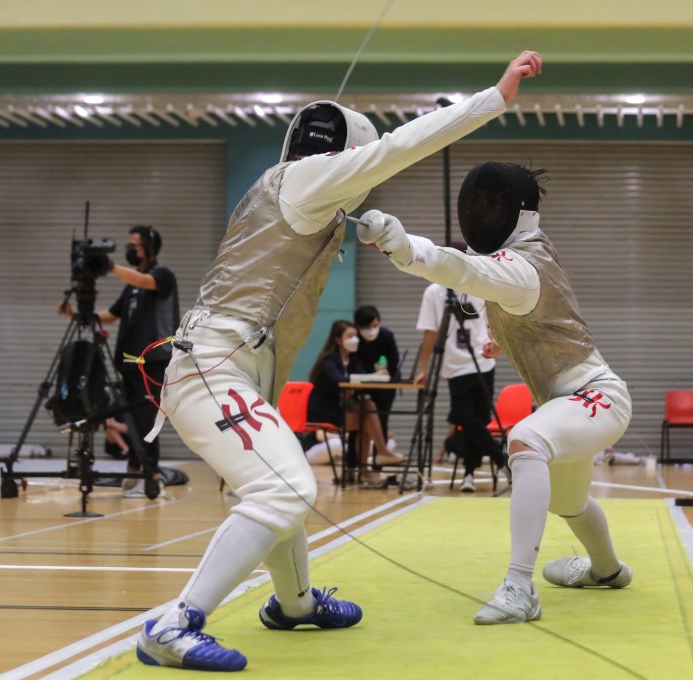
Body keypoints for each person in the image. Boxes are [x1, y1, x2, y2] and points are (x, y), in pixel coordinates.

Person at [134, 51, 543, 671]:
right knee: (285, 486)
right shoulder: (305, 183)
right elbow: (402, 146)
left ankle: (294, 604)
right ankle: (173, 624)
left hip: (230, 368)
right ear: (342, 157)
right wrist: (495, 96)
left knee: (279, 479)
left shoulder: (280, 189)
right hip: (215, 369)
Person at [356, 159, 632, 626]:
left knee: (525, 442)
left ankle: (520, 587)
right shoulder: (525, 252)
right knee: (568, 502)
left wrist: (404, 248)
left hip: (595, 395)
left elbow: (465, 270)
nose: (482, 212)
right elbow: (483, 283)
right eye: (476, 203)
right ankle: (607, 570)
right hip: (567, 401)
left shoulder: (522, 267)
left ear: (516, 211)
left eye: (492, 204)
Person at [59, 224, 179, 497]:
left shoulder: (162, 275)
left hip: (153, 362)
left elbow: (144, 281)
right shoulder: (131, 289)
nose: (129, 249)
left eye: (133, 245)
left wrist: (109, 266)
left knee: (147, 419)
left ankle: (153, 475)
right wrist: (74, 315)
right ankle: (135, 470)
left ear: (149, 247)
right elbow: (112, 316)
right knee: (133, 420)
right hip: (128, 362)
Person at [415, 282, 507, 492]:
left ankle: (469, 474)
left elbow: (492, 322)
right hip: (455, 366)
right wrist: (425, 369)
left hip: (483, 362)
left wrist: (496, 345)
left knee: (480, 420)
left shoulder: (479, 285)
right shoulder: (435, 292)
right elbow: (430, 333)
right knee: (465, 418)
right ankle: (503, 460)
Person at [308, 320, 403, 484]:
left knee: (367, 408)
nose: (355, 340)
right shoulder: (328, 360)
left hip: (345, 408)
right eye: (350, 336)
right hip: (325, 411)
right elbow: (339, 381)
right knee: (365, 414)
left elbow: (360, 379)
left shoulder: (353, 360)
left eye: (356, 336)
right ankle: (375, 458)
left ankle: (365, 465)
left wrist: (376, 374)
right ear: (338, 340)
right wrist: (364, 380)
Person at [352, 305, 401, 435]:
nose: (371, 330)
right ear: (358, 326)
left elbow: (394, 360)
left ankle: (381, 452)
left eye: (374, 325)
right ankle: (356, 454)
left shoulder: (386, 336)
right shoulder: (354, 338)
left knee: (382, 418)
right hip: (361, 383)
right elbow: (354, 362)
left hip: (385, 384)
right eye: (366, 327)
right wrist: (370, 374)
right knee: (359, 419)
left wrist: (385, 372)